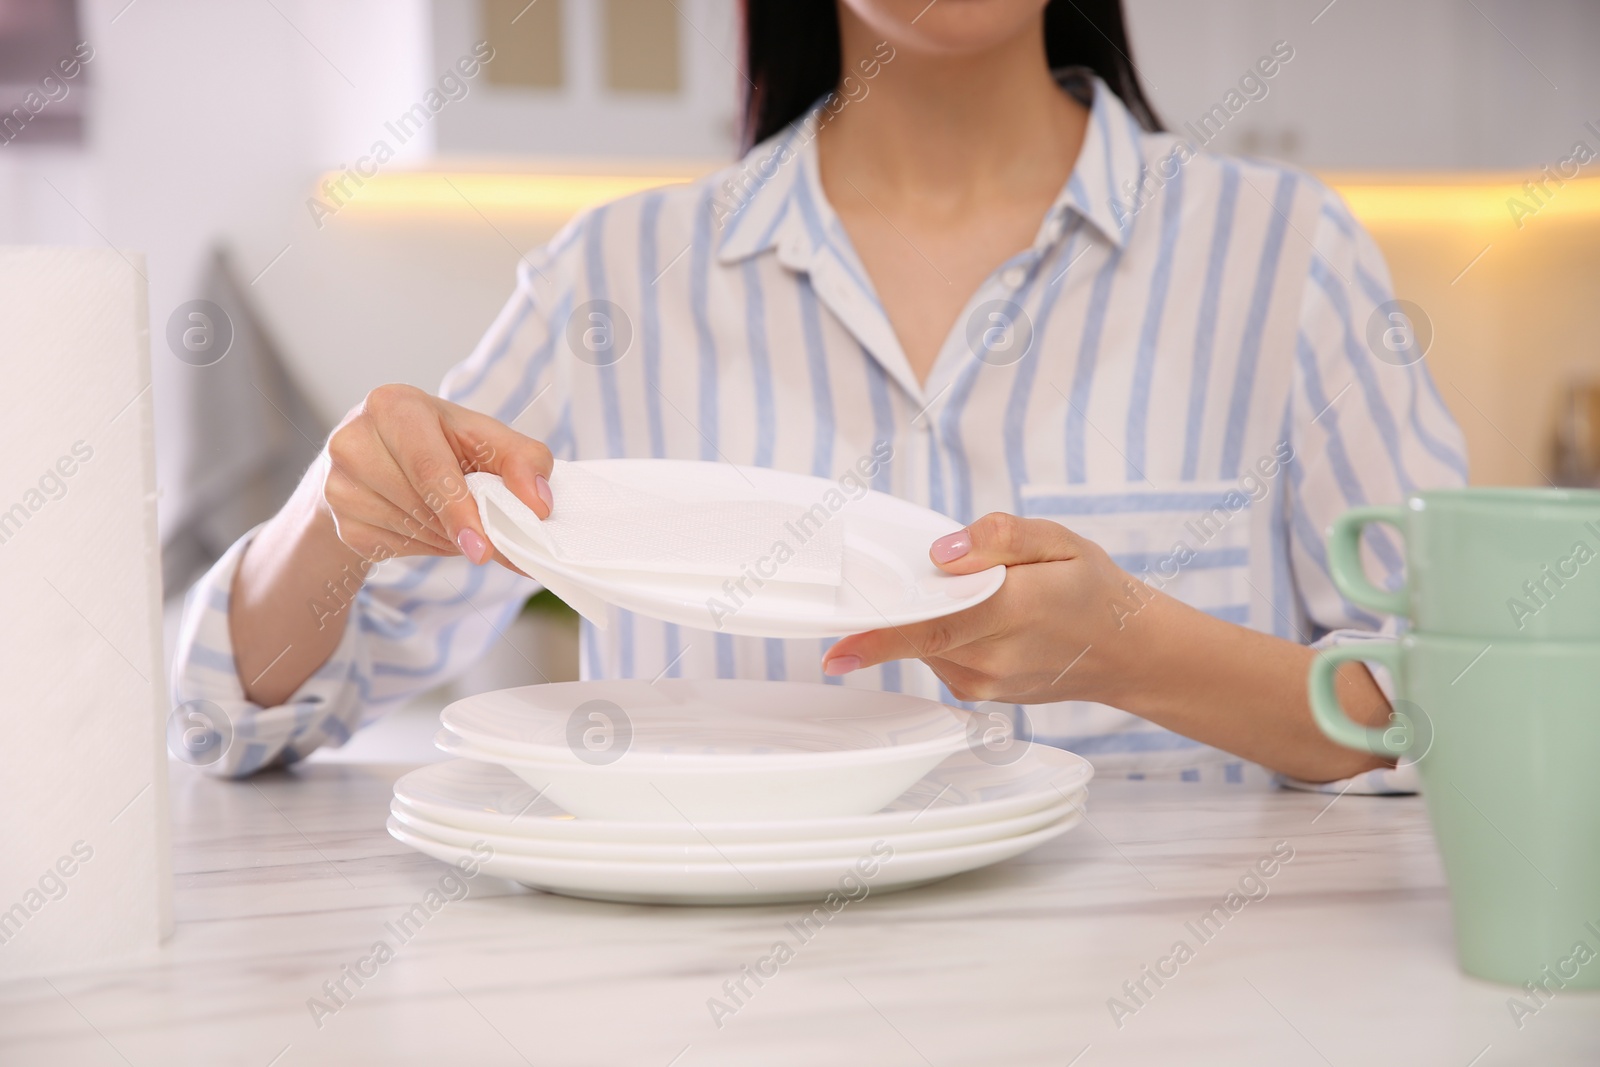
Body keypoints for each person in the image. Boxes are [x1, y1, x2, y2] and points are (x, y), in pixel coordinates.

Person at [173, 0, 1465, 787]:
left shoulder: (1285, 258)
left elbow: (1467, 707)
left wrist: (1138, 652)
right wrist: (333, 519)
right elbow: (234, 718)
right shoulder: (608, 284)